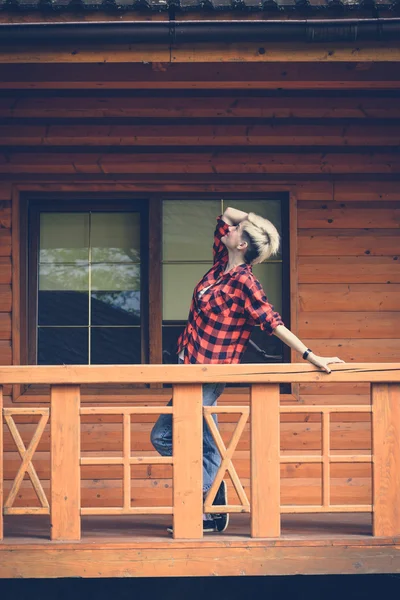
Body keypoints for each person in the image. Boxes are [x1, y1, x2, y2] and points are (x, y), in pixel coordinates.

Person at [151, 206, 344, 534]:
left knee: (165, 436)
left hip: (210, 373)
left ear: (242, 245)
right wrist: (254, 222)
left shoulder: (244, 282)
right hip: (187, 369)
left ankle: (208, 499)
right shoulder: (219, 265)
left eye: (240, 231)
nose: (231, 229)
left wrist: (311, 355)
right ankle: (213, 496)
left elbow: (273, 322)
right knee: (201, 438)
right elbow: (227, 214)